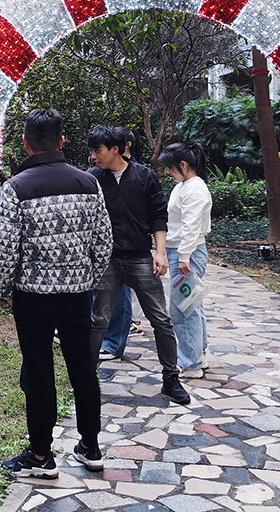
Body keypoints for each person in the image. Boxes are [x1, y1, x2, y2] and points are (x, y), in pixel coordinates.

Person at [0, 108, 113, 478]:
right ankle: (90, 447)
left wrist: (5, 289)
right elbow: (104, 243)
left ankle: (41, 456)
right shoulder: (89, 184)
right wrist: (86, 278)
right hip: (77, 294)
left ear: (25, 143)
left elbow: (4, 249)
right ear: (62, 141)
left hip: (32, 296)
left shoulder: (16, 188)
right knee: (83, 368)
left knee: (39, 371)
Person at [87, 124, 191, 405]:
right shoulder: (92, 179)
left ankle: (171, 379)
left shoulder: (144, 176)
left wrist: (160, 252)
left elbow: (158, 215)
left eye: (97, 150)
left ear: (115, 149)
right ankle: (87, 380)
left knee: (161, 320)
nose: (93, 156)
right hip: (106, 261)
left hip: (139, 258)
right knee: (98, 321)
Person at [159, 142, 213, 379]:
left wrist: (183, 257)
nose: (167, 172)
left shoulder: (194, 189)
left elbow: (191, 226)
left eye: (170, 167)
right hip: (182, 251)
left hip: (187, 254)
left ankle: (191, 363)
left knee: (183, 309)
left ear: (183, 164)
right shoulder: (184, 186)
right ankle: (198, 354)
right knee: (191, 305)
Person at [99, 127, 144, 361]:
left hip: (125, 245)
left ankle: (115, 342)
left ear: (122, 147)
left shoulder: (137, 174)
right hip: (105, 244)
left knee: (122, 292)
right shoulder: (101, 175)